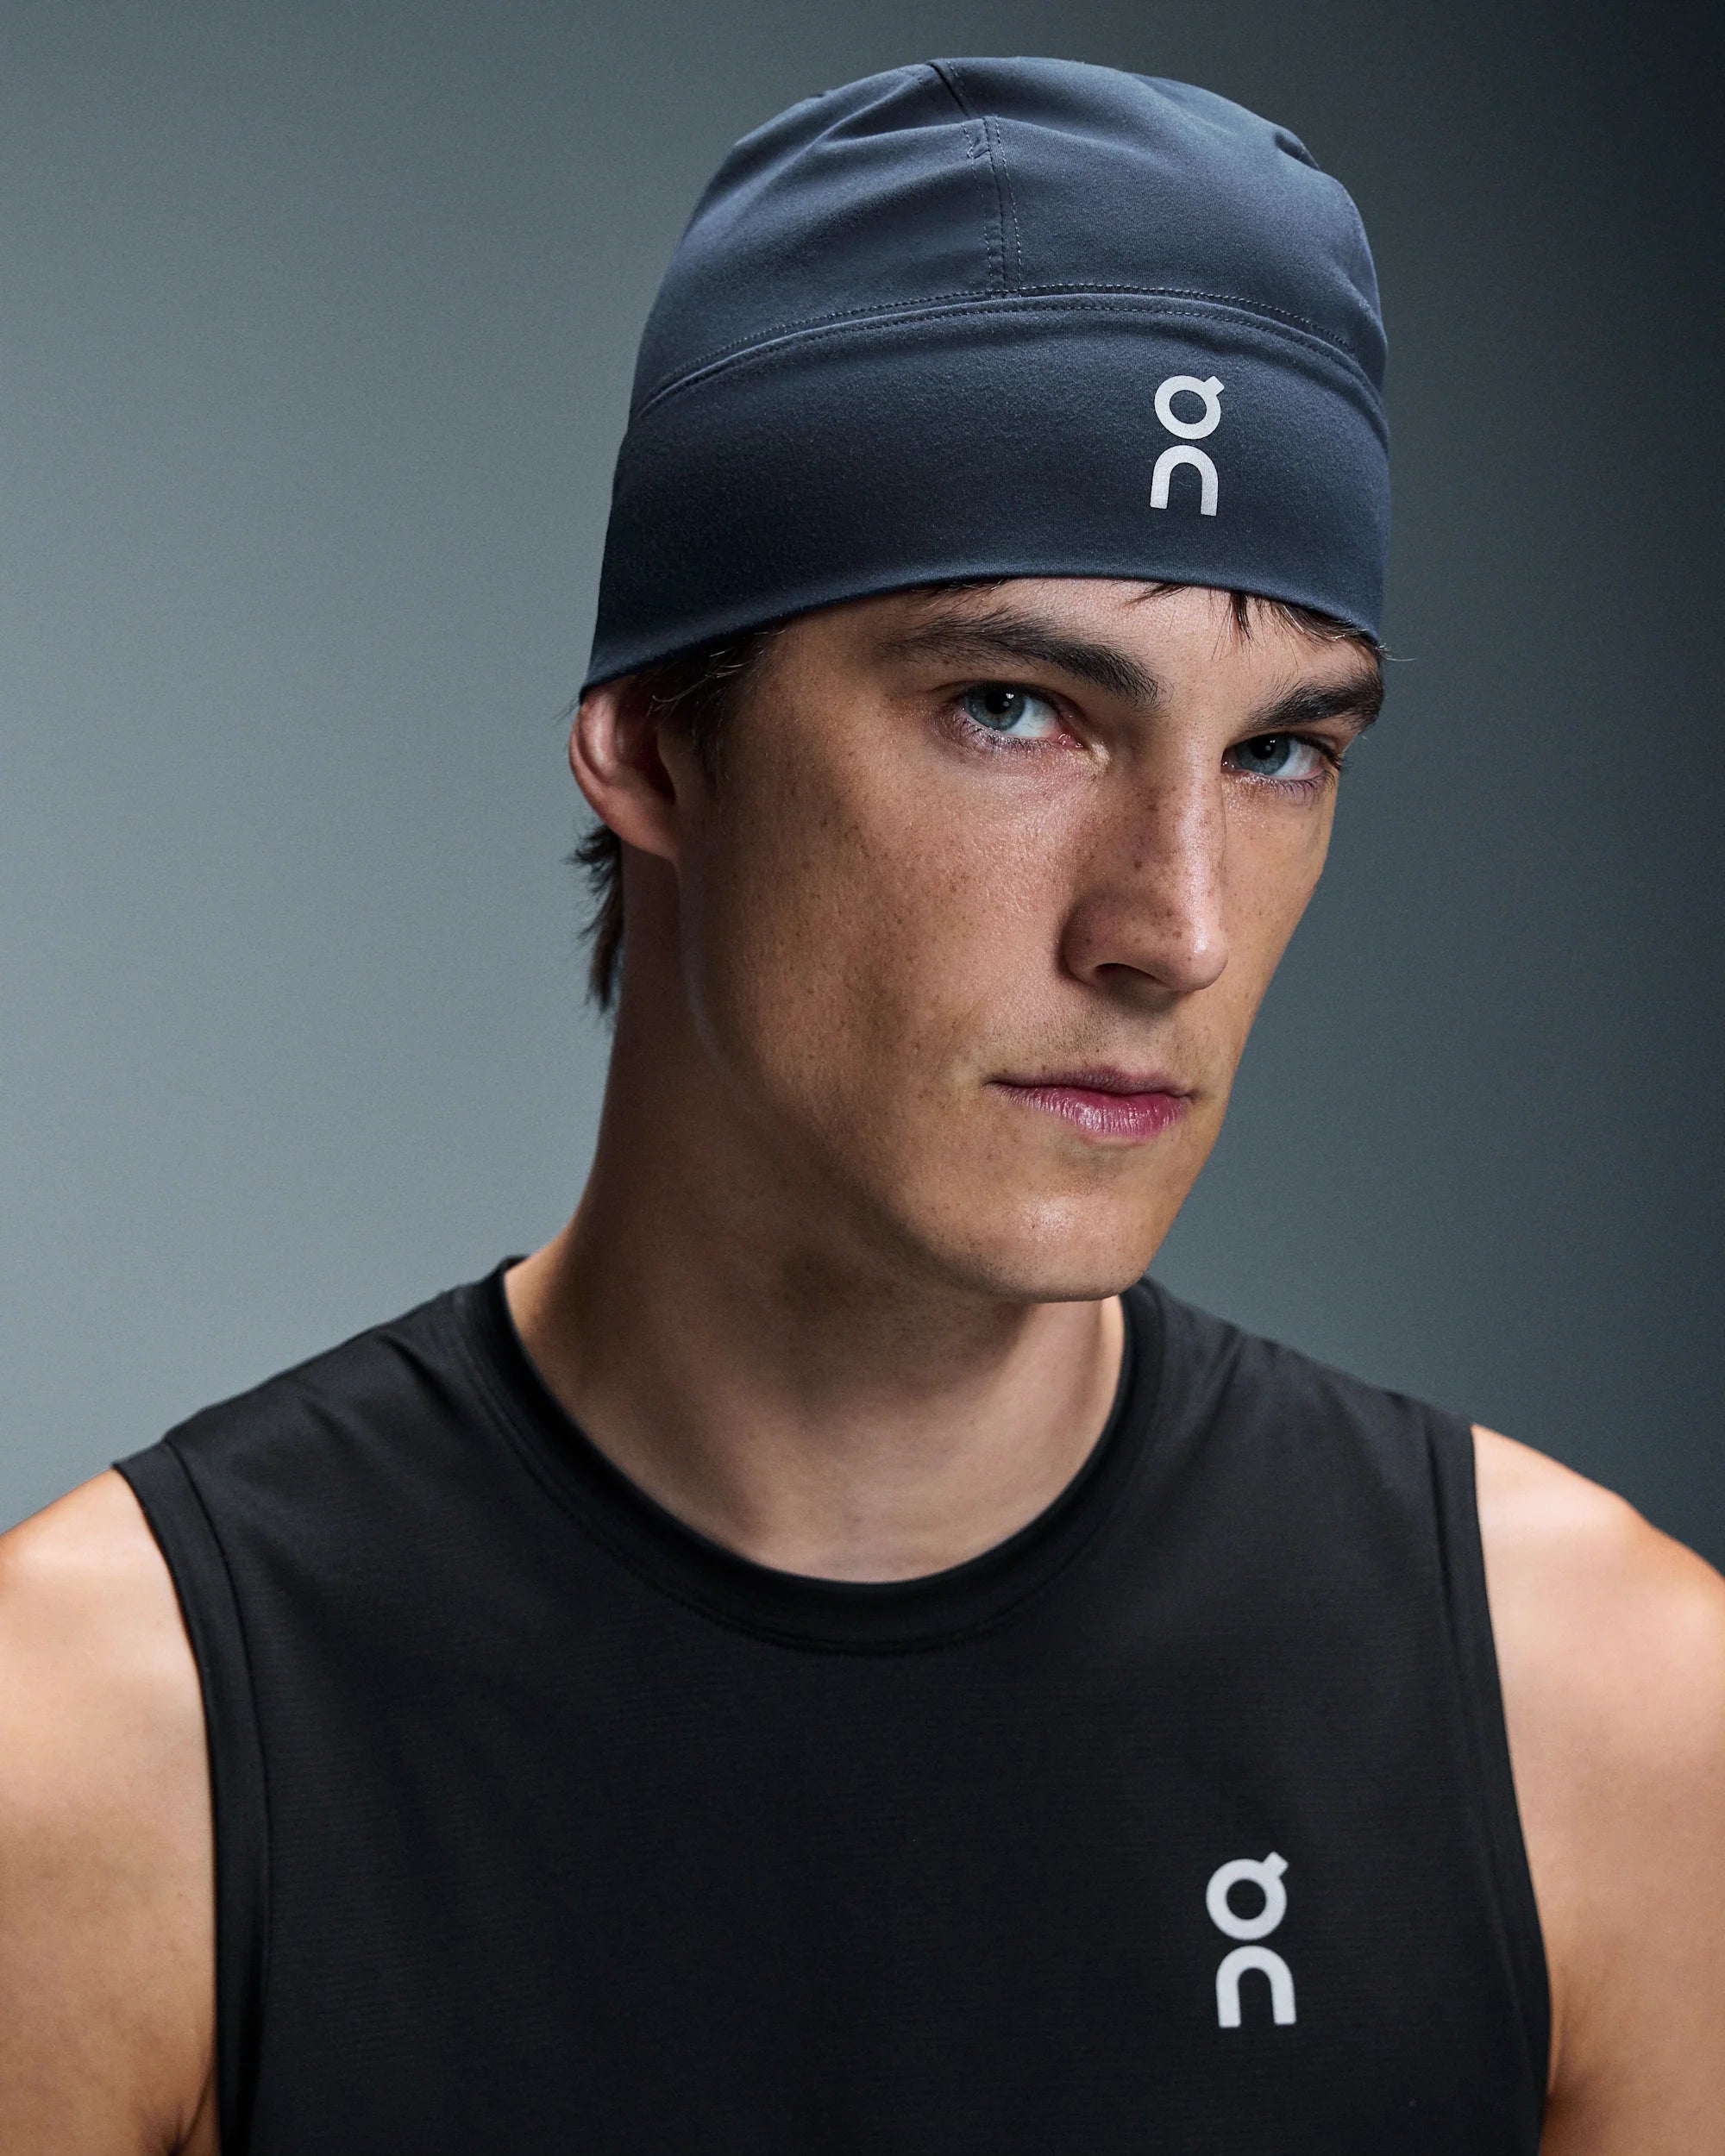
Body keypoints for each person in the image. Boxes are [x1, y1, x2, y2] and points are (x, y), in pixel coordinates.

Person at [1, 56, 1720, 2156]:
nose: (1172, 925)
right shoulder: (95, 1760)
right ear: (656, 739)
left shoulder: (1611, 1726)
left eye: (1281, 751)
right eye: (1014, 708)